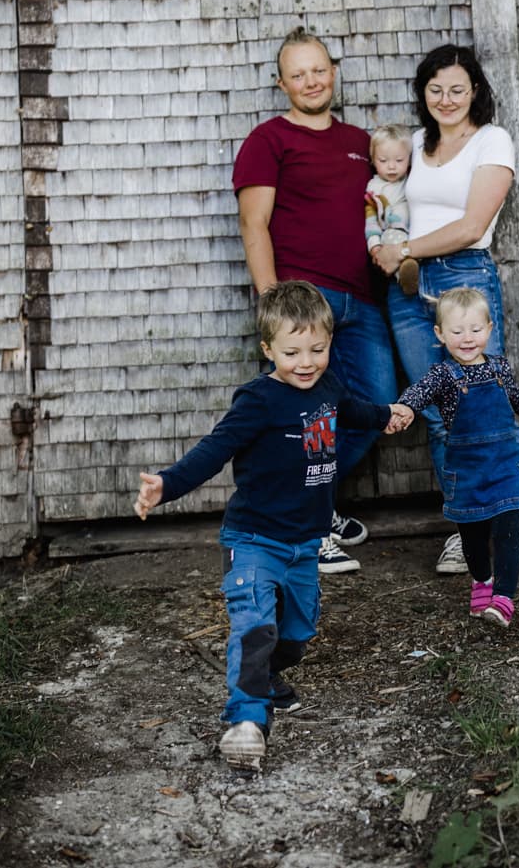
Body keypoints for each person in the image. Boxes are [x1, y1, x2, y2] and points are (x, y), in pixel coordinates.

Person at [133, 281, 414, 770]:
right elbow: (214, 450)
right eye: (291, 352)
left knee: (297, 632)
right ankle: (246, 721)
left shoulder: (326, 387)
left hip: (305, 542)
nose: (306, 362)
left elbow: (353, 411)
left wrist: (386, 414)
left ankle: (265, 676)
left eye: (317, 349)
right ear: (268, 349)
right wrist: (167, 484)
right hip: (254, 540)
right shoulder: (259, 401)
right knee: (255, 625)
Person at [370, 43, 519, 575]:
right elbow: (385, 201)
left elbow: (474, 225)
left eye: (457, 88)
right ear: (422, 94)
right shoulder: (412, 144)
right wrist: (382, 242)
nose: (447, 99)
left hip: (464, 277)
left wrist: (403, 248)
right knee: (438, 414)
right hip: (409, 292)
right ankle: (467, 527)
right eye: (435, 90)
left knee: (489, 408)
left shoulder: (491, 140)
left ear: (474, 89)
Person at [233, 27, 399, 573]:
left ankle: (317, 504)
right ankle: (302, 523)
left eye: (318, 69)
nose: (310, 81)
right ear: (281, 83)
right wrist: (273, 305)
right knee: (305, 415)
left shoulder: (359, 142)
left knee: (372, 406)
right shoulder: (269, 139)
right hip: (306, 301)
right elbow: (254, 225)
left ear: (334, 72)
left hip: (362, 301)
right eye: (298, 73)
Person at [396, 287, 519, 627]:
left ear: (489, 330)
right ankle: (482, 580)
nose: (467, 338)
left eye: (475, 330)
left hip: (505, 465)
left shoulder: (499, 368)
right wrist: (404, 408)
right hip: (468, 469)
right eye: (457, 331)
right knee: (473, 537)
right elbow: (418, 392)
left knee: (507, 530)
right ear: (440, 334)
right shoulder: (442, 375)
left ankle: (504, 598)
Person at [363, 123, 419, 295]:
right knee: (389, 238)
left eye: (399, 160)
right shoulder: (373, 189)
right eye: (383, 161)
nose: (392, 166)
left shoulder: (413, 180)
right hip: (390, 237)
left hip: (415, 236)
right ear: (373, 159)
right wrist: (374, 245)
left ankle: (411, 269)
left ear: (409, 159)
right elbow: (371, 221)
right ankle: (405, 275)